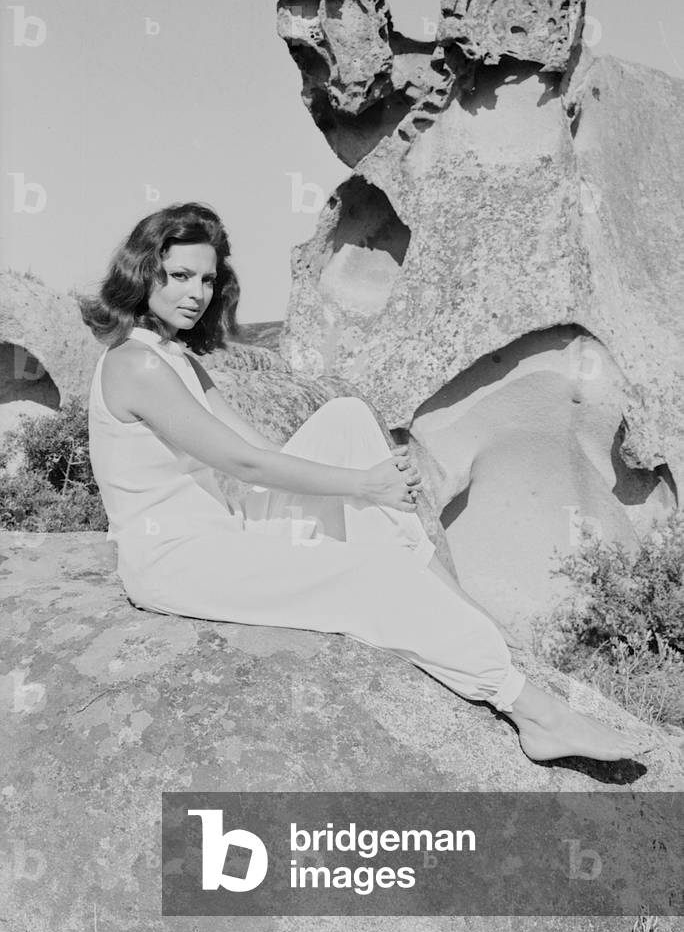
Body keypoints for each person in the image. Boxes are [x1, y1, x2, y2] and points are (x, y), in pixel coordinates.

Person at [78, 201, 651, 765]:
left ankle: (449, 603)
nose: (196, 293)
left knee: (347, 417)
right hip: (179, 559)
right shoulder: (138, 364)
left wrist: (361, 481)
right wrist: (362, 486)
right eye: (179, 276)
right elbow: (244, 466)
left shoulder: (176, 357)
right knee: (364, 571)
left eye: (206, 278)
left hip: (226, 529)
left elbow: (264, 450)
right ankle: (535, 714)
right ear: (143, 272)